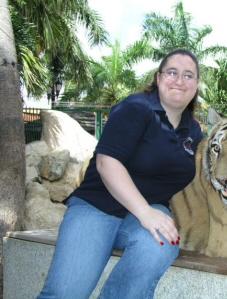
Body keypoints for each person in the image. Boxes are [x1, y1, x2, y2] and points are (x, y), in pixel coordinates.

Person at [37, 48, 203, 299]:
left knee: (159, 245)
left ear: (196, 84)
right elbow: (107, 163)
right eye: (172, 72)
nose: (179, 80)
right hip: (97, 206)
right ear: (158, 79)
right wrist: (145, 213)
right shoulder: (135, 108)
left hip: (148, 213)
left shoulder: (193, 131)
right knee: (65, 294)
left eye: (188, 75)